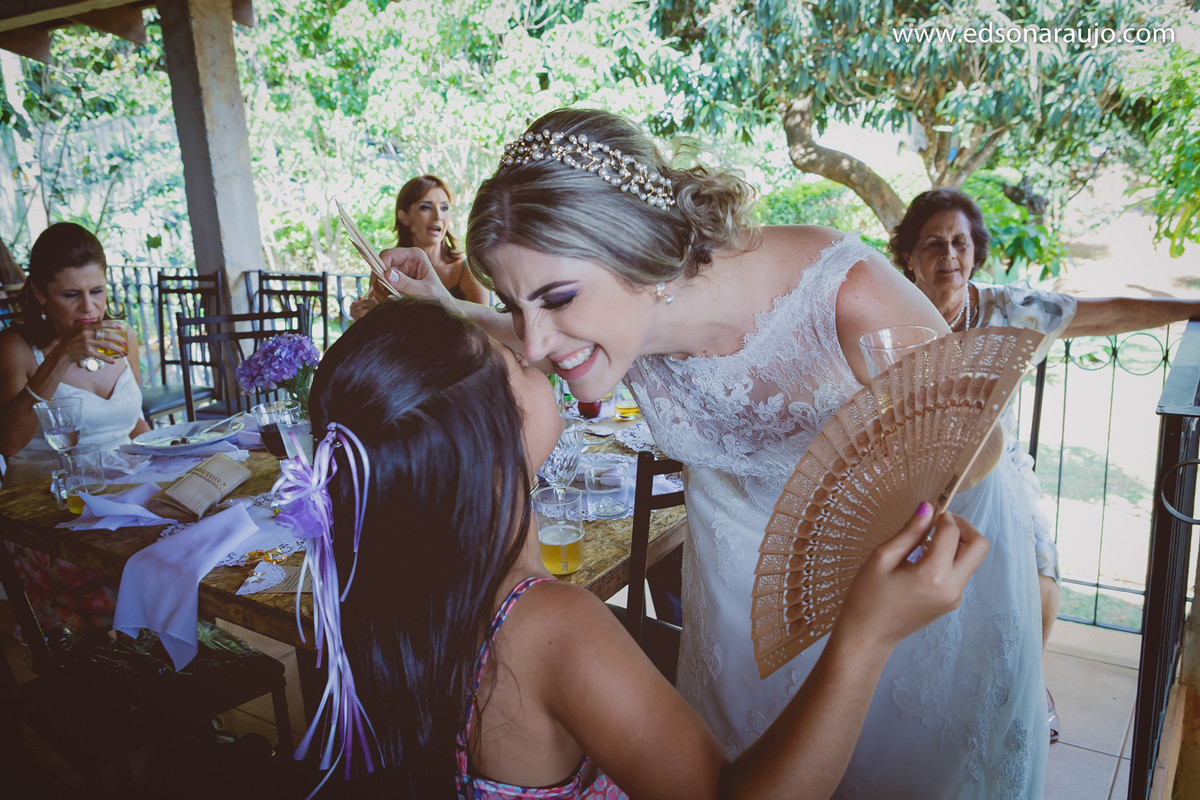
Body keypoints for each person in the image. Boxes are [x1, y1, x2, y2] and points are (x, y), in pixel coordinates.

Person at [352, 108, 1050, 798]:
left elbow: (976, 441)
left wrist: (855, 540)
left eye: (557, 297)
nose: (533, 343)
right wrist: (442, 303)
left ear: (636, 251)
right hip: (738, 592)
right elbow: (524, 324)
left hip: (905, 567)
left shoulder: (843, 292)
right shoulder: (606, 317)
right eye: (514, 302)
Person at [278, 297, 986, 797]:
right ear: (485, 442)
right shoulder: (551, 626)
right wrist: (865, 635)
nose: (534, 352)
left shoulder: (405, 592)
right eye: (510, 362)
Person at [889, 186, 1200, 743]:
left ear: (976, 251)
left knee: (1038, 576)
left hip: (996, 468)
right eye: (933, 243)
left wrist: (1193, 307)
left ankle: (1028, 684)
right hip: (911, 473)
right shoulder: (886, 315)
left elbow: (1106, 315)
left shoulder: (1008, 309)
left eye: (961, 242)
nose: (949, 256)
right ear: (908, 255)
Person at [0, 222, 150, 635]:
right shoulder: (16, 348)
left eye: (96, 291)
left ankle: (178, 674)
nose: (89, 309)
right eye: (71, 295)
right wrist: (60, 357)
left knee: (184, 560)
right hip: (47, 520)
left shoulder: (124, 338)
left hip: (121, 504)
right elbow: (9, 443)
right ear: (39, 293)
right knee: (132, 584)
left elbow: (135, 422)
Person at [393, 174, 487, 304]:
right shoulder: (388, 267)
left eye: (444, 208)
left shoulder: (468, 270)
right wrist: (366, 312)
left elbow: (483, 323)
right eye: (425, 207)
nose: (438, 216)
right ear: (404, 217)